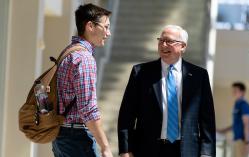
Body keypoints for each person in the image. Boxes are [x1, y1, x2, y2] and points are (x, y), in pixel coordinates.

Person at [117, 25, 216, 157]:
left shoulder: (199, 75)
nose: (163, 45)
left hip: (187, 151)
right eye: (161, 40)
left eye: (169, 41)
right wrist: (125, 150)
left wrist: (207, 153)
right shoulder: (141, 73)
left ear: (183, 46)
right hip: (148, 149)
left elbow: (207, 120)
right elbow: (127, 114)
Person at [52, 3, 113, 157]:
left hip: (60, 135)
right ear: (90, 26)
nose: (109, 33)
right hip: (76, 138)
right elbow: (88, 109)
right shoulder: (84, 58)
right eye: (106, 27)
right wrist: (105, 147)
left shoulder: (67, 52)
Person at [218, 82, 249, 157]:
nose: (233, 92)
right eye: (233, 90)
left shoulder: (244, 105)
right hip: (237, 139)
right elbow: (236, 124)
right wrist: (223, 131)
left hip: (242, 140)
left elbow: (247, 124)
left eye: (236, 90)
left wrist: (247, 142)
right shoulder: (237, 104)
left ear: (242, 92)